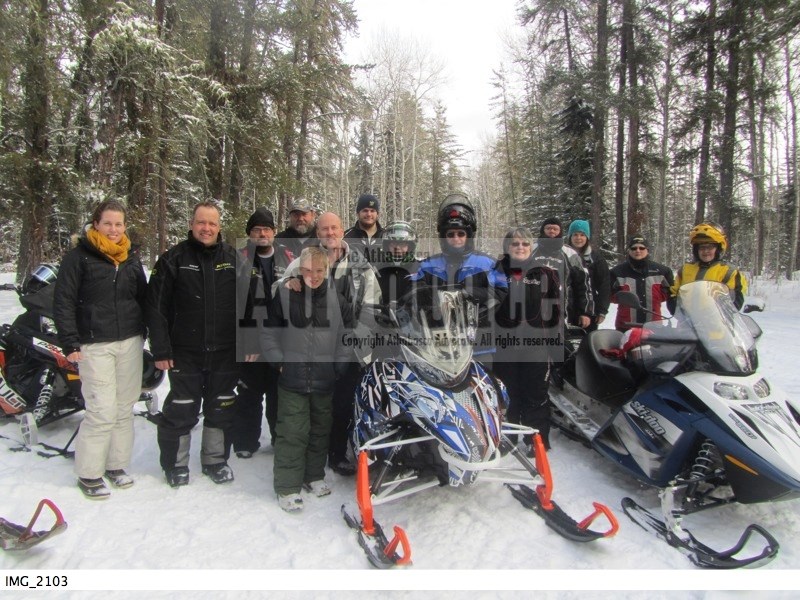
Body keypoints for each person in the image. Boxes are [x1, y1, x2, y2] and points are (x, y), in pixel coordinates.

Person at [53, 200, 147, 499]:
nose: (114, 229)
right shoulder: (79, 258)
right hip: (94, 343)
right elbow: (64, 301)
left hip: (130, 340)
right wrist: (69, 341)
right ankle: (89, 472)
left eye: (119, 224)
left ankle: (116, 465)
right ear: (96, 224)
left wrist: (146, 331)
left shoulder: (130, 258)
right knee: (101, 409)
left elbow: (143, 298)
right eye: (108, 223)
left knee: (124, 406)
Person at [276, 211, 382, 476]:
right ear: (317, 232)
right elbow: (276, 291)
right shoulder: (303, 260)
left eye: (334, 228)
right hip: (309, 349)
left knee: (343, 404)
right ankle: (309, 455)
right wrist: (287, 283)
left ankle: (336, 453)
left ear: (342, 229)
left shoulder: (360, 265)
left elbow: (371, 309)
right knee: (311, 405)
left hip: (351, 348)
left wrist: (352, 343)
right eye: (324, 229)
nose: (330, 233)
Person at [146, 201, 239, 487]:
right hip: (184, 351)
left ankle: (215, 460)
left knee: (221, 406)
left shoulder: (234, 258)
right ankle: (175, 464)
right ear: (192, 224)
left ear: (219, 227)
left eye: (212, 223)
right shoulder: (173, 259)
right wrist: (161, 349)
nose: (206, 228)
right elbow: (156, 307)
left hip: (225, 350)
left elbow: (249, 305)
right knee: (182, 407)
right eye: (201, 222)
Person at [262, 247, 351, 512]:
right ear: (300, 270)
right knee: (293, 432)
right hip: (292, 379)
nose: (313, 276)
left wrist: (339, 365)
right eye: (307, 270)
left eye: (319, 271)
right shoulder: (286, 294)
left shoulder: (338, 299)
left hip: (325, 379)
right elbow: (269, 332)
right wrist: (279, 361)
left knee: (319, 430)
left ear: (327, 271)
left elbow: (347, 335)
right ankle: (288, 486)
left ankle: (313, 476)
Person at [411, 193, 507, 365]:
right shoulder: (427, 265)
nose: (456, 239)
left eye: (461, 233)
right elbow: (414, 294)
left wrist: (467, 294)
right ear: (443, 236)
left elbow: (501, 293)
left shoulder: (488, 263)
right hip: (437, 342)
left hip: (478, 342)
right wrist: (432, 301)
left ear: (469, 235)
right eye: (451, 234)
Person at [229, 207, 292, 459]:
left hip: (280, 340)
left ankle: (279, 439)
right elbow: (235, 305)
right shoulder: (238, 259)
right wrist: (245, 344)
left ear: (274, 232)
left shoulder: (287, 258)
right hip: (250, 339)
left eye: (266, 229)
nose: (262, 233)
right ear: (249, 234)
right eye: (257, 230)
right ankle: (245, 441)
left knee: (279, 394)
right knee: (249, 393)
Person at [494, 227, 563, 451]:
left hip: (537, 346)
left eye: (525, 244)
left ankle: (537, 441)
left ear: (531, 246)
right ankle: (507, 438)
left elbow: (556, 314)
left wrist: (557, 347)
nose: (520, 248)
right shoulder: (495, 272)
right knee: (507, 394)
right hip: (504, 346)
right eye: (515, 244)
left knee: (536, 395)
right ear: (507, 247)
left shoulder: (546, 273)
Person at [671, 223, 747, 310]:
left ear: (718, 248)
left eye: (710, 247)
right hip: (687, 321)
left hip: (717, 321)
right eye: (701, 247)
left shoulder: (728, 271)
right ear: (696, 250)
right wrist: (672, 302)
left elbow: (736, 301)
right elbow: (674, 293)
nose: (706, 251)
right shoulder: (685, 270)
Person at [610, 235, 675, 331]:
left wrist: (658, 297)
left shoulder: (662, 271)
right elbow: (608, 295)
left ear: (647, 250)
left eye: (641, 248)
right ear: (629, 250)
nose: (638, 250)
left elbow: (671, 293)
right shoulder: (617, 272)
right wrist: (622, 298)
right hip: (626, 326)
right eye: (634, 248)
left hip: (654, 326)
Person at [566, 219, 610, 331]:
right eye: (575, 234)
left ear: (587, 237)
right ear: (570, 236)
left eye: (582, 235)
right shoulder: (563, 255)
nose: (578, 238)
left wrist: (602, 310)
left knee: (586, 343)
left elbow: (604, 286)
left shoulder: (596, 259)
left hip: (589, 309)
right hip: (566, 307)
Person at [374, 221, 419, 303]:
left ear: (410, 246)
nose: (397, 248)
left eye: (402, 244)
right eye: (393, 243)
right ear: (386, 246)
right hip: (383, 314)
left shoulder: (421, 270)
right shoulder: (377, 271)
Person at [344, 193, 384, 263]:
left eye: (372, 211)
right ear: (358, 213)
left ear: (378, 214)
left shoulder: (386, 236)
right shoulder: (346, 237)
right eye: (365, 210)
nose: (369, 214)